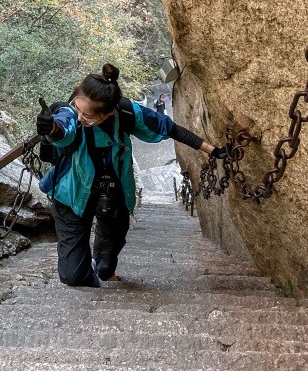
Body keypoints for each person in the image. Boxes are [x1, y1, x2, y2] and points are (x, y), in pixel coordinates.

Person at [36, 63, 225, 287]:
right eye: (77, 109)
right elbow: (64, 131)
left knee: (107, 261)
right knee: (73, 277)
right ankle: (91, 282)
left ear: (108, 113)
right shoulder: (70, 113)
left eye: (87, 116)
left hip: (114, 194)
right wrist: (51, 129)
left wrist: (212, 150)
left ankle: (104, 268)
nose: (80, 118)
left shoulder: (126, 113)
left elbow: (169, 128)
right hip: (71, 194)